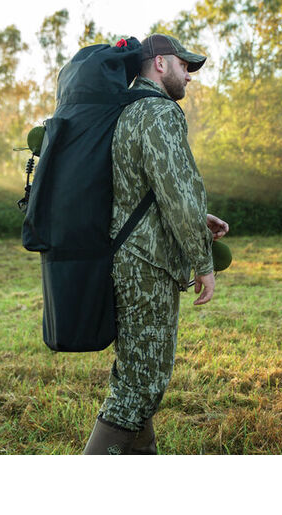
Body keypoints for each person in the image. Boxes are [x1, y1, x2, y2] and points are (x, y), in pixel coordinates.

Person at [83, 33, 229, 454]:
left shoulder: (127, 111)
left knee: (139, 376)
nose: (189, 75)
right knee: (140, 386)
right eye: (184, 65)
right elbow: (179, 194)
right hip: (147, 266)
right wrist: (204, 263)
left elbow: (144, 191)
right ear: (160, 64)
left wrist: (198, 220)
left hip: (127, 259)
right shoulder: (159, 112)